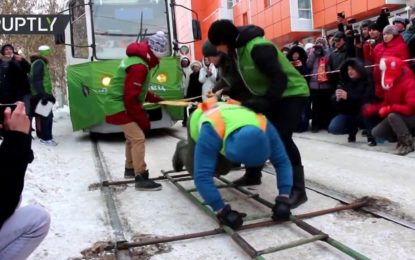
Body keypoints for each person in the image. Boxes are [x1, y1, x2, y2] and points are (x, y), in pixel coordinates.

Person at [208, 19, 309, 208]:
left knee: (281, 137)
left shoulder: (258, 47)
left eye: (218, 45)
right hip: (272, 95)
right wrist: (229, 89)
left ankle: (298, 189)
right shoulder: (238, 50)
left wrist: (265, 102)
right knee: (255, 130)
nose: (218, 50)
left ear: (225, 40)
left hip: (292, 94)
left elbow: (280, 78)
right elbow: (248, 77)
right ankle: (253, 175)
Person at [173, 99, 293, 229]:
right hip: (202, 116)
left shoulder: (264, 126)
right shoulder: (211, 131)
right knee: (196, 169)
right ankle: (181, 149)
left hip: (229, 120)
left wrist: (284, 197)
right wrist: (222, 210)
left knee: (223, 169)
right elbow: (202, 176)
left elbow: (283, 161)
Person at [105, 31, 168, 191]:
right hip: (119, 106)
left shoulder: (137, 60)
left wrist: (157, 99)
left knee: (131, 137)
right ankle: (140, 176)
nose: (160, 60)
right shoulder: (140, 66)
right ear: (155, 52)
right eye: (160, 57)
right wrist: (143, 120)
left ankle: (130, 168)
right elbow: (131, 98)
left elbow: (136, 91)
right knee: (138, 137)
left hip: (117, 104)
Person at [0, 102, 50, 259]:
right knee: (38, 218)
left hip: (40, 99)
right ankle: (45, 136)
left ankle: (46, 135)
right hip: (38, 99)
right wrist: (17, 140)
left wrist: (17, 141)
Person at [362, 57, 415, 155]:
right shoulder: (391, 84)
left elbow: (411, 109)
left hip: (411, 117)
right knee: (376, 132)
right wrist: (373, 109)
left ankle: (408, 143)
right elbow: (386, 103)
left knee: (392, 116)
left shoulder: (409, 82)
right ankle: (400, 137)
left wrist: (390, 108)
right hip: (399, 117)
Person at [328, 58, 376, 145]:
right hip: (349, 114)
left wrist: (349, 97)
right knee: (333, 128)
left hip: (363, 114)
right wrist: (337, 99)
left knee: (367, 108)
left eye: (352, 69)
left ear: (359, 69)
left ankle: (371, 135)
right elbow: (336, 104)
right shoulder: (344, 82)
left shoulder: (367, 81)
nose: (350, 71)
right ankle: (352, 130)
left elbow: (367, 98)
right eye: (348, 69)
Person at [30, 45, 57, 146]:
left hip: (40, 94)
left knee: (45, 116)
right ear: (44, 53)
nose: (50, 55)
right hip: (40, 94)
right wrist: (43, 95)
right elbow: (36, 80)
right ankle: (46, 138)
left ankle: (44, 136)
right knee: (47, 116)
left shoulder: (37, 63)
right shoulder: (39, 63)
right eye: (48, 52)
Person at [0, 44, 32, 112]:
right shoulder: (1, 61)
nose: (9, 51)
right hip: (7, 94)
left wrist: (22, 60)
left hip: (23, 92)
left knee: (25, 112)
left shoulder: (18, 59)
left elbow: (28, 69)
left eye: (10, 49)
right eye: (6, 49)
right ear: (3, 52)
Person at [182, 60, 203, 126]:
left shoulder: (201, 75)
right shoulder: (191, 75)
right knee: (190, 109)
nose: (195, 68)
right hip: (192, 94)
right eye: (194, 67)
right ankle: (188, 121)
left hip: (199, 94)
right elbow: (190, 85)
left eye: (197, 67)